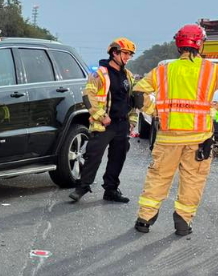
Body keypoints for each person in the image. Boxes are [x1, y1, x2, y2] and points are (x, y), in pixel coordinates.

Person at [133, 24, 218, 235]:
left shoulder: (163, 70)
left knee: (158, 177)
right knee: (192, 181)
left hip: (168, 137)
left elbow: (137, 93)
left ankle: (144, 220)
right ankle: (182, 222)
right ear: (200, 44)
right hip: (199, 139)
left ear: (178, 44)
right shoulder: (212, 70)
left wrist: (157, 111)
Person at [70, 38, 139, 203]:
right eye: (125, 53)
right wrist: (102, 116)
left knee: (118, 158)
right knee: (93, 156)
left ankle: (111, 190)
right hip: (104, 124)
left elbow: (132, 101)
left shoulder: (128, 75)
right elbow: (89, 96)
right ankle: (82, 187)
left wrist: (132, 121)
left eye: (130, 54)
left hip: (122, 124)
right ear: (114, 53)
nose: (128, 57)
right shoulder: (99, 73)